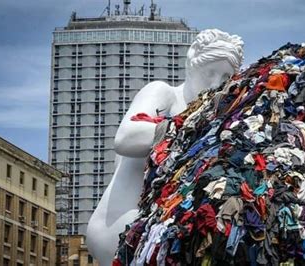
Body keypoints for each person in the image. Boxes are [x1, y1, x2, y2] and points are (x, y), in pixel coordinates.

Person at [86, 29, 244, 266]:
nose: (215, 84)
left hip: (169, 232)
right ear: (191, 65)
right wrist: (193, 127)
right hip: (123, 226)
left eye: (224, 78)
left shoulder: (220, 116)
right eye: (209, 72)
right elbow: (126, 138)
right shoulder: (164, 93)